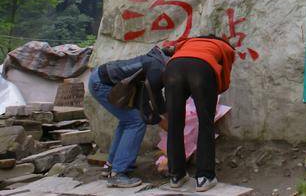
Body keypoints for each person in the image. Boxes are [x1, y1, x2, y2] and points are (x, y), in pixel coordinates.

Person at [88, 45, 171, 188]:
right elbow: (145, 106)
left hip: (100, 79)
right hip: (101, 84)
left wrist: (167, 117)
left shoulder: (154, 62)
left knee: (128, 121)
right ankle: (119, 173)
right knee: (136, 121)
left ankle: (112, 166)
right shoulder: (157, 68)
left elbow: (157, 97)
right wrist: (162, 122)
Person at [164, 34, 236, 192]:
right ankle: (204, 177)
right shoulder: (224, 47)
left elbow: (171, 51)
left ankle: (176, 175)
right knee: (205, 124)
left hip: (173, 68)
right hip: (201, 68)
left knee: (175, 124)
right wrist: (213, 91)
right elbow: (224, 76)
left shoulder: (188, 42)